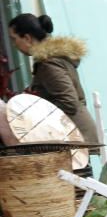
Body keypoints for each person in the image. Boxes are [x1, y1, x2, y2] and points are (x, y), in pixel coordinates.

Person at [8, 13, 99, 145]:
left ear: (27, 38)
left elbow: (68, 102)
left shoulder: (48, 64)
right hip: (72, 136)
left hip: (71, 139)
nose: (14, 45)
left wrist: (33, 113)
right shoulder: (52, 60)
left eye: (14, 39)